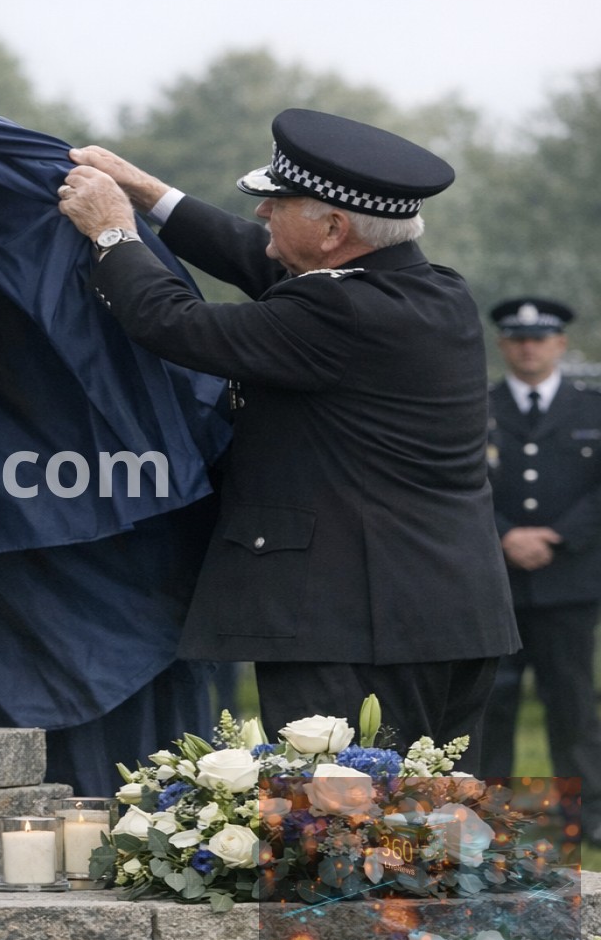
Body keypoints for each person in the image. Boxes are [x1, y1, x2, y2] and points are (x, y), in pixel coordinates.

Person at [54, 108, 517, 752]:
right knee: (426, 831)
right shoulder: (431, 291)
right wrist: (146, 191)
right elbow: (259, 257)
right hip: (445, 617)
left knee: (337, 833)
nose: (262, 214)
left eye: (279, 201)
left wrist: (111, 233)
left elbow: (173, 322)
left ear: (334, 228)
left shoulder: (336, 312)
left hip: (351, 626)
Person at [476, 298, 601, 824]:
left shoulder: (592, 407)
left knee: (572, 702)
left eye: (540, 337)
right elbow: (464, 482)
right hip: (495, 582)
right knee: (492, 703)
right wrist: (505, 536)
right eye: (518, 338)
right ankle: (490, 815)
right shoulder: (476, 406)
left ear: (559, 344)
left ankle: (586, 814)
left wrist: (557, 535)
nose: (529, 347)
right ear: (503, 345)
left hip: (568, 579)